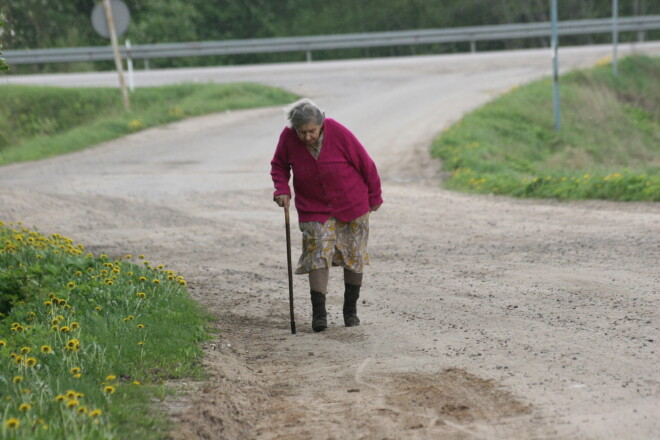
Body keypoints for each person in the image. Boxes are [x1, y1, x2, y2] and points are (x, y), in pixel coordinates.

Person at [270, 98, 383, 332]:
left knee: (353, 254)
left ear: (321, 123)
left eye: (312, 131)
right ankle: (319, 314)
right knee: (317, 252)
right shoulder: (288, 137)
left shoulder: (338, 132)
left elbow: (366, 164)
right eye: (302, 132)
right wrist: (282, 190)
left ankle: (350, 311)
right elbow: (279, 165)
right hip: (313, 206)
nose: (307, 137)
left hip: (352, 203)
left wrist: (375, 196)